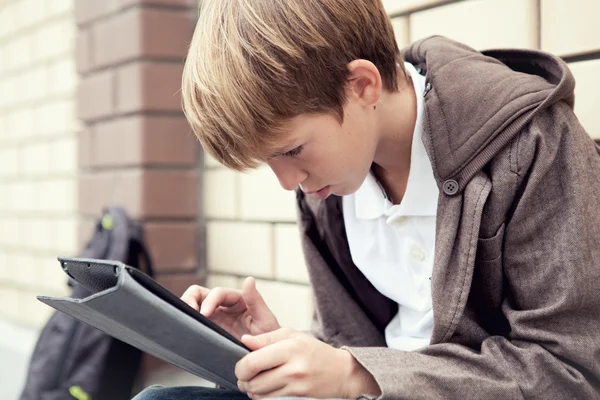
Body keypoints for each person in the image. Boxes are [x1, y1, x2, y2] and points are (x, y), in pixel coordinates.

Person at [134, 0, 600, 399]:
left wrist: (357, 373)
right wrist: (273, 350)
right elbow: (353, 346)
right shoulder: (327, 188)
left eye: (292, 150)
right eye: (267, 162)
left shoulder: (533, 143)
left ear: (362, 85)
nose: (288, 182)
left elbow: (572, 373)